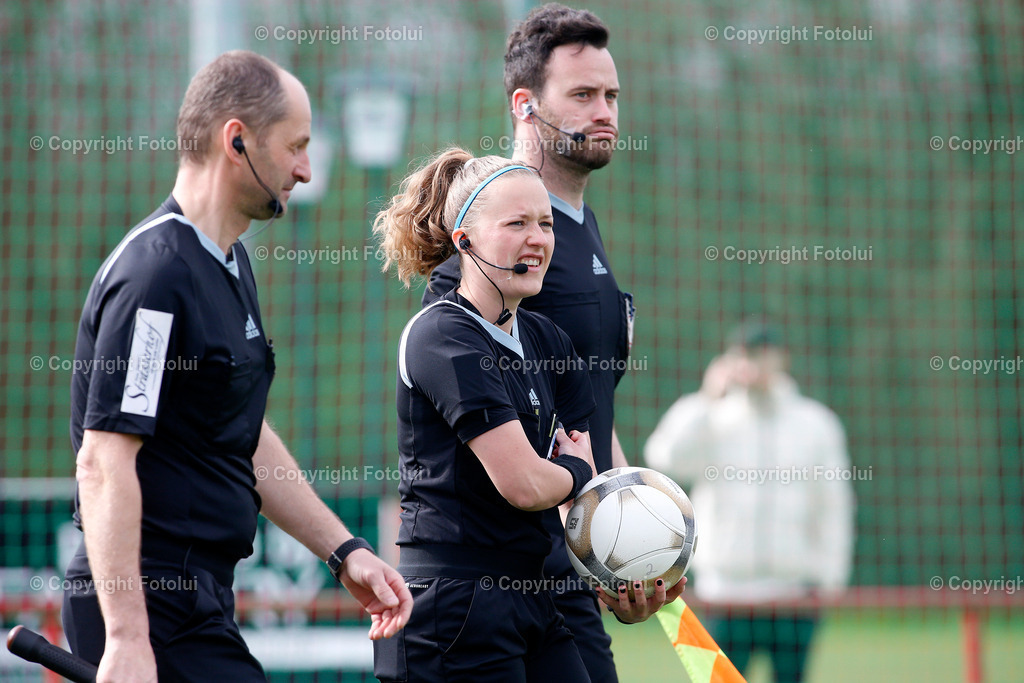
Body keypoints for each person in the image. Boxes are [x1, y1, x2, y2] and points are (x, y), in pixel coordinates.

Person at [62, 50, 412, 683]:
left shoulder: (228, 263)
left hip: (199, 603)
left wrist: (344, 551)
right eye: (296, 146)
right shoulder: (157, 276)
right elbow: (102, 460)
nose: (306, 170)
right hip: (147, 614)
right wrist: (127, 638)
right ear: (237, 140)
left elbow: (241, 435)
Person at [424, 5, 681, 681]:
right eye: (583, 95)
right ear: (526, 106)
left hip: (563, 582)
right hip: (487, 593)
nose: (606, 112)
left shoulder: (581, 228)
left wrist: (627, 545)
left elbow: (589, 417)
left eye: (613, 96)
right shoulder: (489, 256)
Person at [371, 147, 599, 681]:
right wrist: (576, 474)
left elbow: (575, 493)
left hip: (533, 595)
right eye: (517, 223)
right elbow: (524, 482)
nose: (538, 238)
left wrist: (615, 570)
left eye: (544, 223)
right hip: (453, 608)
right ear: (464, 241)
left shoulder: (548, 339)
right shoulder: (442, 335)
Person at [644, 320, 856, 683]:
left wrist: (830, 581)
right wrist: (706, 396)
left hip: (794, 596)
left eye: (762, 355)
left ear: (782, 359)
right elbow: (663, 457)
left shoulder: (816, 424)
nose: (754, 365)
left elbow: (834, 506)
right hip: (724, 594)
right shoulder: (712, 418)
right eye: (745, 356)